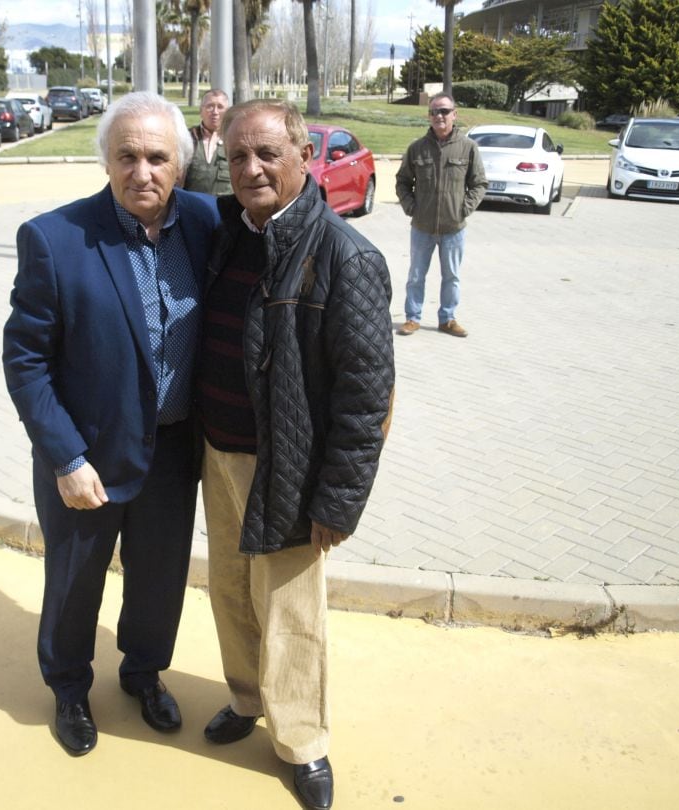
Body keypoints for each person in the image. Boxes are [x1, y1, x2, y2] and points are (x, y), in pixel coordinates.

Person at [1, 91, 219, 757]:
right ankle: (68, 688)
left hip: (174, 449)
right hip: (87, 457)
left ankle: (143, 674)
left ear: (179, 164)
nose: (142, 172)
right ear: (106, 161)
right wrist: (64, 456)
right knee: (75, 582)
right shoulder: (56, 239)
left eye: (157, 157)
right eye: (127, 156)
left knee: (159, 579)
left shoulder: (210, 224)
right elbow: (25, 359)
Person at [197, 99, 395, 810]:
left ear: (303, 157)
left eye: (267, 154)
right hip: (218, 453)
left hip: (287, 468)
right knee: (228, 591)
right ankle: (248, 700)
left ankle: (303, 742)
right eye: (238, 156)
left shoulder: (346, 256)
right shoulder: (226, 230)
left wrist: (339, 501)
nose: (250, 169)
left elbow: (366, 396)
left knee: (289, 612)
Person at [394, 92, 487, 338]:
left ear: (454, 115)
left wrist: (463, 208)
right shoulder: (417, 148)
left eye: (444, 111)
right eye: (434, 111)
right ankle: (412, 318)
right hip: (422, 227)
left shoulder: (468, 148)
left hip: (453, 228)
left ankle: (447, 319)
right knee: (415, 275)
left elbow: (479, 184)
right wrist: (411, 207)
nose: (439, 116)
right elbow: (402, 182)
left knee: (452, 277)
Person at [183, 89, 231, 195]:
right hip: (192, 206)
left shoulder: (235, 139)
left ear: (227, 112)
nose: (215, 112)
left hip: (226, 208)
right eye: (210, 106)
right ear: (201, 111)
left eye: (220, 107)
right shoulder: (187, 138)